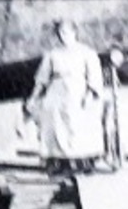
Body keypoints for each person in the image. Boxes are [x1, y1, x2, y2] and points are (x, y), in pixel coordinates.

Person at [25, 19, 106, 174]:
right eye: (60, 33)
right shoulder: (52, 54)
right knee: (52, 120)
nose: (63, 36)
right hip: (56, 93)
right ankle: (57, 162)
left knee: (77, 124)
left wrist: (89, 95)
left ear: (74, 33)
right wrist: (33, 98)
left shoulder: (87, 53)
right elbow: (42, 79)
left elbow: (94, 78)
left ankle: (82, 162)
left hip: (78, 92)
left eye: (66, 32)